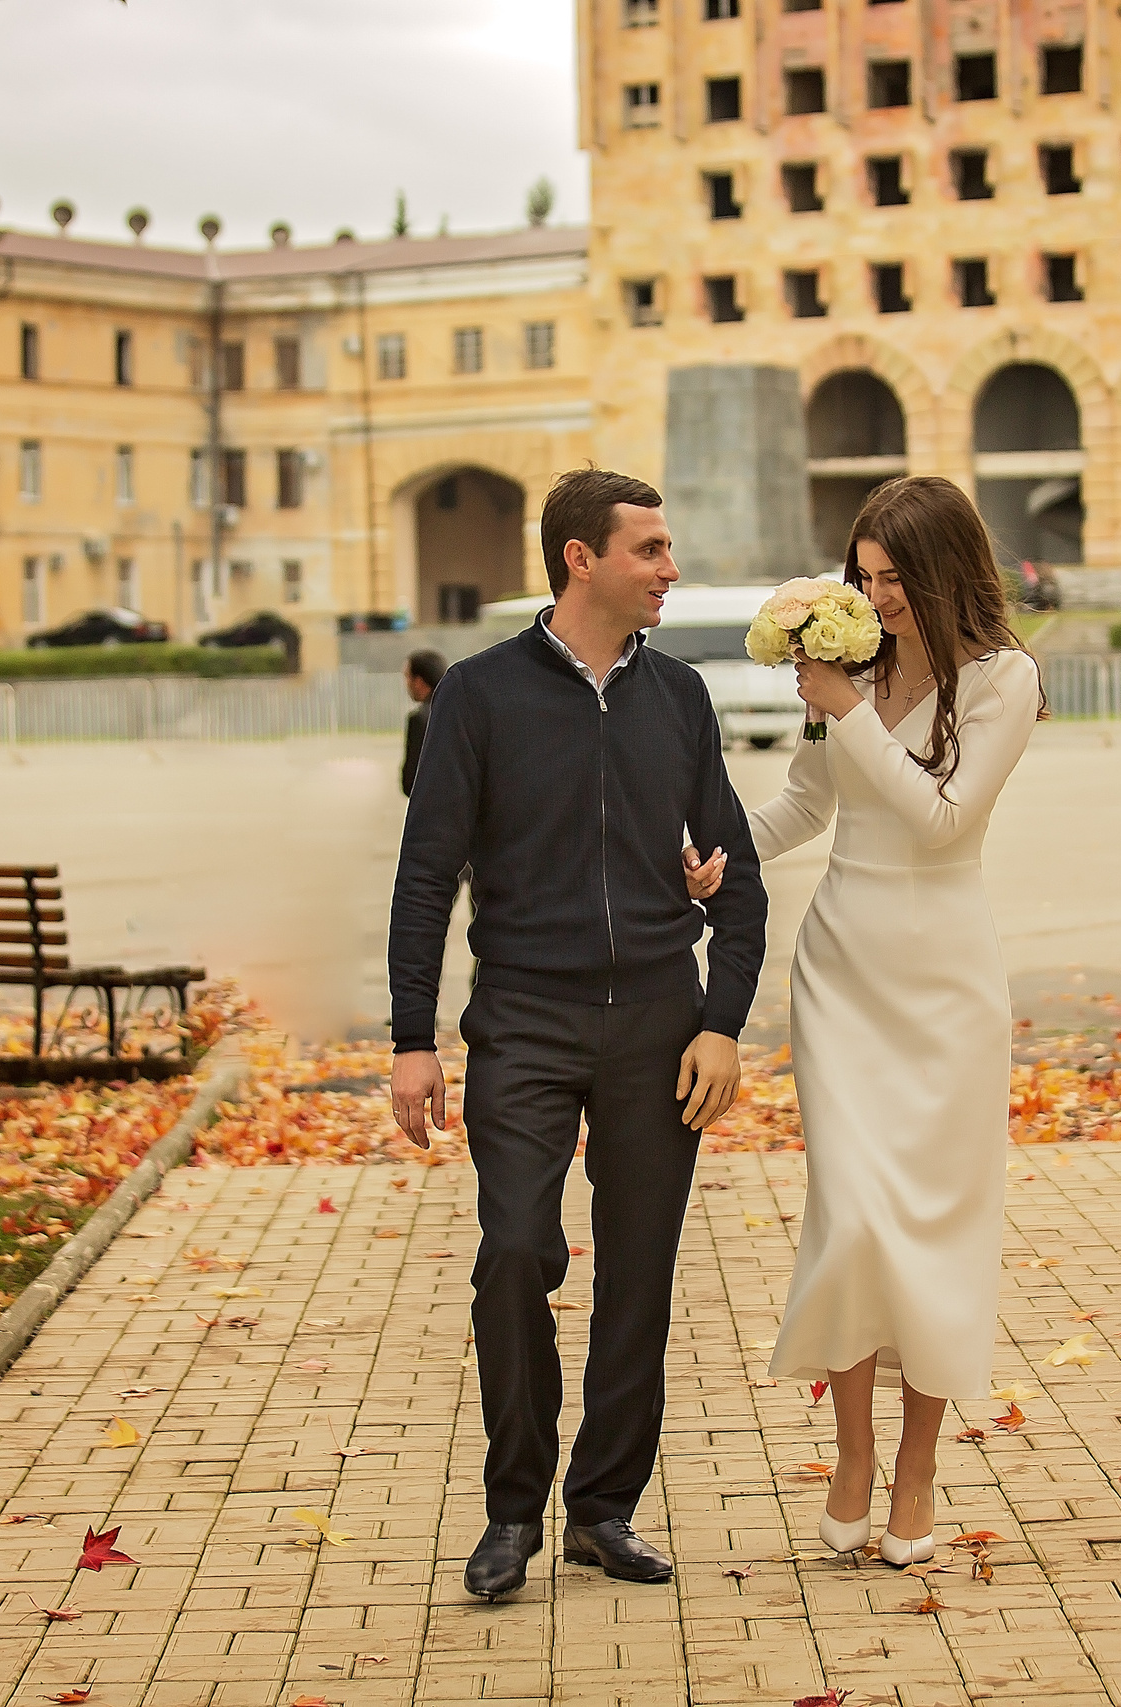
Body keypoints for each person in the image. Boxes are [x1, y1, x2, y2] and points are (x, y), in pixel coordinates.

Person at [387, 467, 768, 1602]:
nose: (670, 568)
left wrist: (721, 1023)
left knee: (638, 1277)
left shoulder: (679, 697)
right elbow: (425, 878)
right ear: (580, 559)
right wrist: (413, 1038)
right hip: (524, 1020)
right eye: (650, 549)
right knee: (514, 1252)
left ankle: (602, 1509)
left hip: (656, 1023)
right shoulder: (479, 695)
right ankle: (513, 1509)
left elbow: (739, 880)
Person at [691, 476, 1043, 1567]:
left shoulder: (1004, 678)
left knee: (932, 1229)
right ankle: (851, 1456)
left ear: (944, 570)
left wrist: (847, 708)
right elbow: (807, 802)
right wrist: (717, 855)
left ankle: (917, 1467)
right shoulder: (858, 669)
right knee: (849, 1221)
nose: (877, 596)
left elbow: (941, 820)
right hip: (841, 968)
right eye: (865, 576)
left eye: (894, 577)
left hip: (945, 981)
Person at [401, 648, 448, 796]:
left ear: (419, 682)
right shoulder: (461, 711)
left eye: (408, 677)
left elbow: (411, 782)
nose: (406, 684)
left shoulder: (419, 719)